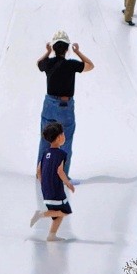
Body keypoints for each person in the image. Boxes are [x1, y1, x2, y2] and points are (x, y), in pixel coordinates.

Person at [36, 32, 93, 172]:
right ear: (67, 49)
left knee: (45, 139)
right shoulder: (71, 65)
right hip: (65, 106)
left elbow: (38, 64)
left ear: (54, 48)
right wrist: (78, 52)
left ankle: (41, 172)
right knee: (65, 141)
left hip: (49, 104)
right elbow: (90, 65)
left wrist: (47, 52)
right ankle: (63, 175)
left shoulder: (48, 63)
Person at [30, 122, 75, 241]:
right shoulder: (61, 154)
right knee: (64, 212)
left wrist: (43, 184)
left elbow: (38, 170)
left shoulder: (45, 153)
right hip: (56, 190)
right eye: (63, 134)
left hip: (46, 190)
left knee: (57, 214)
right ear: (60, 137)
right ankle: (41, 214)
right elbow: (60, 171)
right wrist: (68, 183)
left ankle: (51, 235)